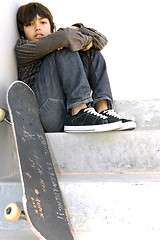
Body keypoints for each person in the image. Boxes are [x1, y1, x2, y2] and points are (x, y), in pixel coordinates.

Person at [15, 2, 136, 133]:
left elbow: (101, 40)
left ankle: (103, 110)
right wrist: (76, 37)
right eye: (29, 24)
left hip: (66, 110)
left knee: (92, 53)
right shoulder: (23, 48)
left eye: (42, 22)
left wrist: (76, 29)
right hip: (44, 116)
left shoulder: (57, 39)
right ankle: (79, 110)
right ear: (22, 33)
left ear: (51, 27)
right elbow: (65, 37)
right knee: (64, 47)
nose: (37, 28)